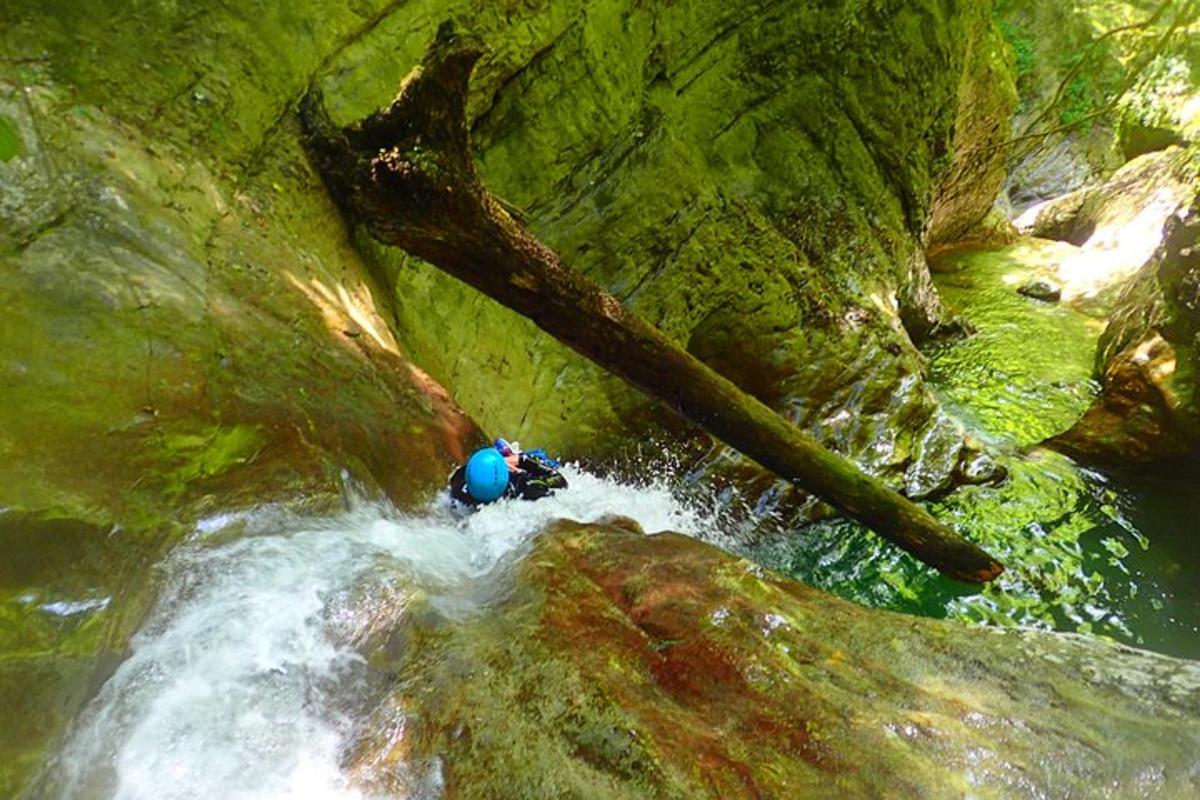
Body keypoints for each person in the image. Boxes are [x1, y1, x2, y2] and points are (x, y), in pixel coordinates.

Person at [448, 438, 568, 506]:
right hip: (519, 485)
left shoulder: (459, 484)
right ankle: (511, 454)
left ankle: (502, 454)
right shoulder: (525, 486)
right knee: (539, 457)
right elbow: (561, 481)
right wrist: (521, 460)